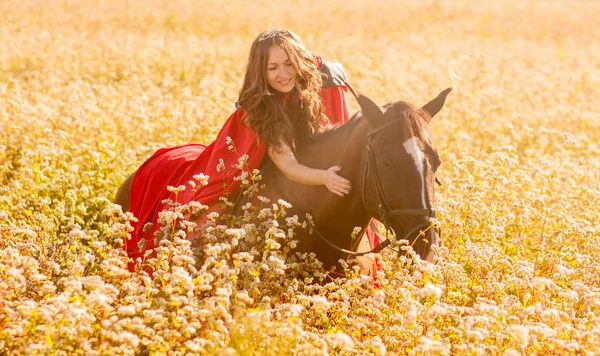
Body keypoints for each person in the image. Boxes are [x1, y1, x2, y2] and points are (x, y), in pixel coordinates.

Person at [124, 28, 364, 271]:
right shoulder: (262, 109)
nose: (283, 74)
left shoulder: (306, 92)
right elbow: (289, 167)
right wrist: (325, 177)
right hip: (237, 164)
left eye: (289, 64)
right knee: (211, 224)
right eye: (273, 68)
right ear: (261, 72)